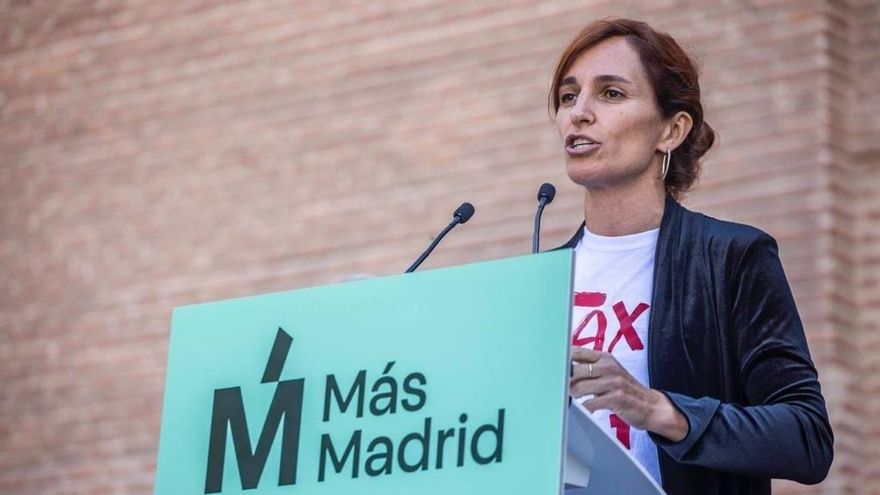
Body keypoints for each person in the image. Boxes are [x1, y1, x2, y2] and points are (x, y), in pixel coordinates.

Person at [551, 18, 833, 494]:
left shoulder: (730, 259)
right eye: (567, 96)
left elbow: (806, 438)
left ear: (672, 129)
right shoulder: (541, 278)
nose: (579, 113)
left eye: (611, 94)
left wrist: (659, 410)